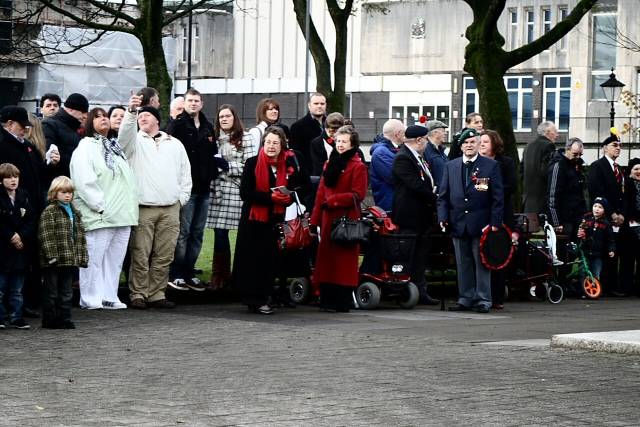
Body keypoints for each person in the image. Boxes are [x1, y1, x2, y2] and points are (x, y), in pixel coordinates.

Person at [119, 95, 192, 310]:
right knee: (140, 253)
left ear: (157, 120)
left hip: (170, 208)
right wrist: (131, 112)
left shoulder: (174, 144)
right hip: (144, 207)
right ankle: (138, 294)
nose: (142, 118)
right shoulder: (134, 142)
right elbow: (123, 138)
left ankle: (157, 293)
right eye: (140, 116)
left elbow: (185, 175)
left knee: (164, 254)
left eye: (146, 115)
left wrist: (180, 200)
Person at [70, 107, 138, 310]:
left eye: (105, 117)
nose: (103, 120)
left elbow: (127, 135)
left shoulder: (114, 148)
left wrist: (131, 113)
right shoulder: (86, 147)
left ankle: (109, 294)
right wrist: (99, 206)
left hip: (122, 214)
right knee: (94, 258)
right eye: (97, 117)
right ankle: (90, 297)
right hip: (100, 214)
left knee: (114, 259)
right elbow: (84, 180)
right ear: (89, 122)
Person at [234, 126, 307, 314]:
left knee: (268, 261)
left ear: (282, 145)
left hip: (274, 221)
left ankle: (263, 297)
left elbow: (296, 190)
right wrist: (270, 197)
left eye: (275, 143)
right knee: (252, 260)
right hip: (253, 220)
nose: (271, 146)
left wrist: (287, 197)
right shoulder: (252, 163)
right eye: (268, 142)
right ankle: (253, 299)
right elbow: (245, 193)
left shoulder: (286, 166)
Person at [438, 128, 504, 313]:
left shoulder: (490, 166)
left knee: (482, 263)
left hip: (481, 224)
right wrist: (443, 217)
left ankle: (483, 299)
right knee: (462, 262)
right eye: (465, 143)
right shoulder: (451, 166)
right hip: (458, 223)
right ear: (460, 146)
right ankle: (465, 297)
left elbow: (498, 198)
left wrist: (495, 223)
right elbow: (443, 196)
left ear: (478, 144)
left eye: (472, 142)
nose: (469, 145)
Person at [165, 88, 219, 291]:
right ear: (185, 103)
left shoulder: (207, 127)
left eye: (197, 100)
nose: (194, 104)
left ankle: (190, 270)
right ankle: (176, 272)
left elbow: (213, 154)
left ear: (202, 103)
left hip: (205, 187)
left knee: (198, 232)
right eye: (190, 100)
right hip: (187, 188)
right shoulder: (177, 125)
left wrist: (213, 172)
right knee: (183, 232)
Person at [310, 125, 368, 312]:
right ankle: (326, 299)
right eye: (338, 141)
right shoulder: (329, 163)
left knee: (343, 262)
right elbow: (321, 192)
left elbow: (357, 194)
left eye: (344, 141)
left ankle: (343, 301)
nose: (340, 145)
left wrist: (334, 200)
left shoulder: (358, 166)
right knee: (326, 260)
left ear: (352, 144)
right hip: (328, 218)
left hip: (345, 219)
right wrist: (315, 219)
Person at [206, 104, 256, 290]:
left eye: (228, 116)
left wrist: (227, 166)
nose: (224, 119)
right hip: (217, 192)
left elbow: (250, 165)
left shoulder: (246, 137)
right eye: (221, 117)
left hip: (236, 191)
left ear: (234, 118)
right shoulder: (214, 139)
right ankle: (219, 274)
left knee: (242, 234)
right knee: (219, 233)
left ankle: (240, 274)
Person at [391, 125, 439, 305]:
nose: (427, 143)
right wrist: (435, 198)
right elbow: (415, 185)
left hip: (422, 216)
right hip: (409, 216)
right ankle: (404, 290)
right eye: (425, 139)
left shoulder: (418, 158)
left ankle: (420, 290)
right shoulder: (403, 158)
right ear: (419, 140)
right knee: (408, 255)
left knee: (421, 256)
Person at [39, 176, 88, 329]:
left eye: (70, 192)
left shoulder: (75, 212)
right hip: (53, 260)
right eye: (63, 192)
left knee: (67, 291)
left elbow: (79, 236)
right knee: (52, 292)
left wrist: (81, 256)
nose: (67, 195)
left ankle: (65, 318)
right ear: (54, 193)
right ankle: (50, 319)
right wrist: (52, 256)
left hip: (69, 258)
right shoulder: (50, 211)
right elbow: (46, 235)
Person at [479, 130, 517, 309]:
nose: (482, 144)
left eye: (486, 141)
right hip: (480, 212)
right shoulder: (475, 163)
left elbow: (511, 185)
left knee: (497, 253)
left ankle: (497, 296)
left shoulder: (506, 163)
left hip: (501, 213)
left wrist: (492, 190)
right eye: (481, 141)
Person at [587, 130, 626, 295]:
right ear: (604, 148)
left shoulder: (619, 169)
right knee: (602, 252)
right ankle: (599, 285)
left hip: (617, 217)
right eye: (614, 145)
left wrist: (621, 213)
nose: (618, 149)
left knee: (613, 251)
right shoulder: (598, 166)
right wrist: (611, 214)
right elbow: (598, 192)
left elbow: (622, 194)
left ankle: (611, 286)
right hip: (604, 217)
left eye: (619, 146)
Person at [0, 163, 36, 329]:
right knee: (1, 287)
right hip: (3, 248)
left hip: (20, 249)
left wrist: (21, 235)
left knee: (17, 288)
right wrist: (11, 236)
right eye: (8, 177)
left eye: (15, 177)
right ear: (1, 180)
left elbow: (30, 219)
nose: (13, 180)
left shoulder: (24, 195)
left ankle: (16, 316)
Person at [42, 93, 90, 184]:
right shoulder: (49, 125)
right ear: (71, 109)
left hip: (72, 181)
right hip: (57, 184)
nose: (85, 116)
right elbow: (49, 156)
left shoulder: (75, 128)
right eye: (82, 112)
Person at [546, 137, 587, 240]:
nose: (578, 157)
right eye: (575, 154)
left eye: (580, 155)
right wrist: (556, 222)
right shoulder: (559, 166)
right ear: (567, 150)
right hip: (564, 218)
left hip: (576, 217)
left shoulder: (576, 166)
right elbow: (552, 195)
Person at [577, 197, 615, 285]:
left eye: (600, 207)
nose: (597, 209)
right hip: (585, 252)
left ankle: (594, 289)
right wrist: (580, 234)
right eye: (595, 206)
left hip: (598, 254)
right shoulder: (586, 219)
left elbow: (610, 239)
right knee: (583, 272)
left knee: (596, 273)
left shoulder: (606, 224)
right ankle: (582, 291)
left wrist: (611, 249)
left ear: (604, 210)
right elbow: (580, 231)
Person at [522, 121, 558, 213]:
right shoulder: (549, 145)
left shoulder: (528, 146)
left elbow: (521, 170)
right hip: (542, 198)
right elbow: (548, 171)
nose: (557, 135)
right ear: (548, 132)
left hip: (528, 198)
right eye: (555, 131)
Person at [370, 119, 404, 212]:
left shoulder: (389, 150)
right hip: (390, 206)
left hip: (394, 203)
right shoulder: (381, 153)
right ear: (398, 134)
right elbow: (395, 177)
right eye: (404, 132)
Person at [290, 92, 327, 175]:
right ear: (309, 105)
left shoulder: (331, 124)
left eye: (322, 103)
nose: (319, 106)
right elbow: (295, 154)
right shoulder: (298, 127)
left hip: (329, 172)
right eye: (316, 103)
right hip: (310, 173)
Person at [621, 158, 640, 296]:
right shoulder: (626, 184)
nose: (639, 172)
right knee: (628, 257)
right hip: (629, 225)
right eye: (636, 169)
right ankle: (625, 287)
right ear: (630, 171)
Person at [309, 112, 345, 178]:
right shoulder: (317, 143)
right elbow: (318, 167)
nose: (335, 135)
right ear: (325, 128)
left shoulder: (348, 142)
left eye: (338, 132)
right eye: (331, 131)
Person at [424, 120, 449, 189]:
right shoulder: (425, 150)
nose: (446, 133)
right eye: (443, 131)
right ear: (435, 133)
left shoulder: (442, 150)